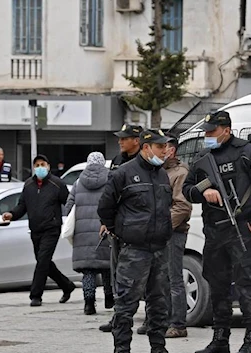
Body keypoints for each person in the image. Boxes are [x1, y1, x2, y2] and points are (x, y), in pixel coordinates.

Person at [182, 111, 251, 353]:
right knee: (217, 285)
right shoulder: (204, 156)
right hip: (214, 232)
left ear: (226, 129)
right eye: (205, 131)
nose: (207, 135)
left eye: (211, 131)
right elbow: (186, 188)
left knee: (247, 286)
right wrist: (204, 190)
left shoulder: (248, 153)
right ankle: (220, 339)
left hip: (240, 230)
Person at [98, 129, 173, 353]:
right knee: (126, 305)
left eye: (166, 147)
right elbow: (105, 207)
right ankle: (122, 349)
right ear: (146, 147)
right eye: (160, 147)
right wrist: (118, 231)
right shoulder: (123, 173)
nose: (165, 151)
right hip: (134, 251)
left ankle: (158, 348)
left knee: (159, 304)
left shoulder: (162, 174)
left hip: (159, 249)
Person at [137, 134, 192, 338]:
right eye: (158, 146)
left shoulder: (180, 172)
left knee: (174, 278)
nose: (160, 150)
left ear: (172, 150)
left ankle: (178, 323)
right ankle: (155, 319)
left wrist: (161, 225)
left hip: (173, 232)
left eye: (164, 147)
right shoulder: (157, 171)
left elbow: (182, 206)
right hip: (155, 233)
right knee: (155, 278)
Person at [2, 154, 76, 307]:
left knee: (42, 261)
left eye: (43, 164)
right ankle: (67, 285)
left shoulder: (57, 184)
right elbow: (22, 205)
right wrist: (12, 214)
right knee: (44, 262)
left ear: (48, 166)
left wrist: (72, 221)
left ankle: (36, 295)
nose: (40, 168)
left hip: (52, 228)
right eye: (37, 165)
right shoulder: (28, 185)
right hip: (35, 230)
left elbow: (69, 203)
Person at [99, 123, 144, 333]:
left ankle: (150, 318)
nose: (119, 141)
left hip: (137, 228)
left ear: (136, 140)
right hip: (117, 228)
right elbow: (109, 194)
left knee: (144, 276)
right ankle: (120, 316)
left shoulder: (144, 161)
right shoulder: (117, 161)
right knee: (118, 274)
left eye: (124, 138)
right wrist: (105, 222)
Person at [64, 152, 114, 315]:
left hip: (83, 234)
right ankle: (109, 298)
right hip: (104, 230)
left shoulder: (78, 182)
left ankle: (89, 303)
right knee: (107, 267)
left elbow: (69, 206)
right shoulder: (110, 180)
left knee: (88, 271)